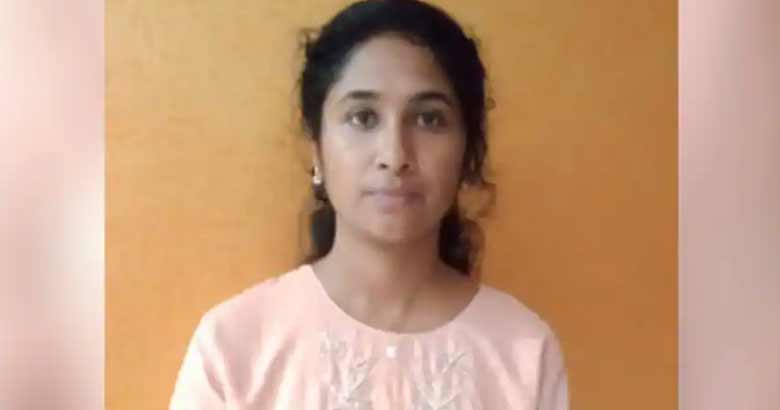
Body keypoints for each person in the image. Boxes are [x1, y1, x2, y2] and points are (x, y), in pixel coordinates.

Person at [170, 1, 569, 409]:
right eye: (363, 117)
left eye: (429, 119)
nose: (395, 155)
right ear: (316, 149)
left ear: (467, 152)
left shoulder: (524, 352)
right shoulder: (234, 348)